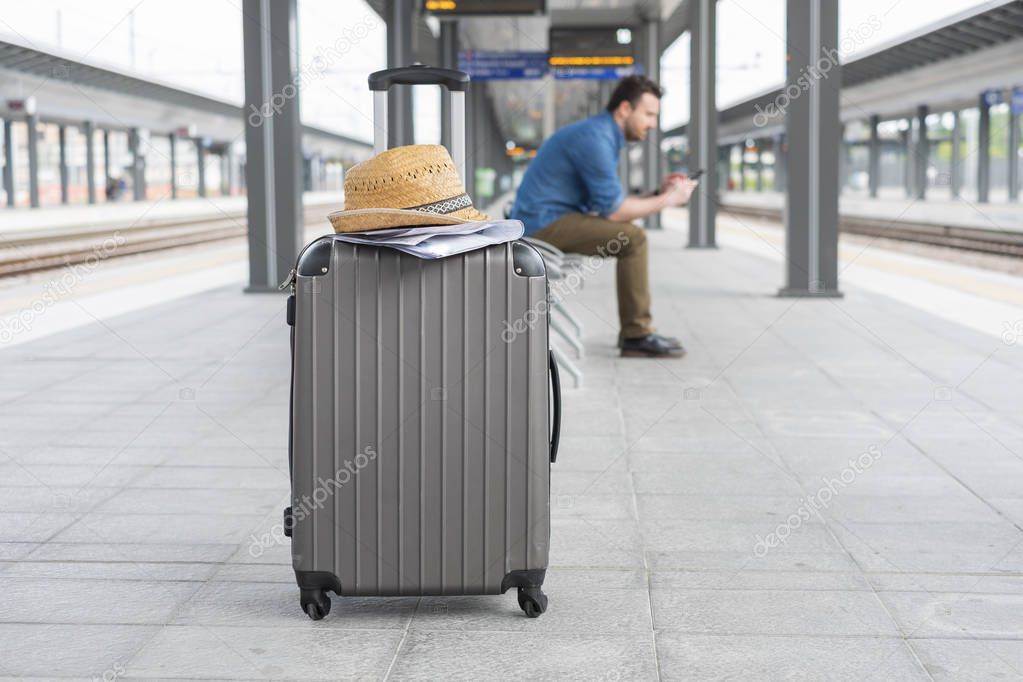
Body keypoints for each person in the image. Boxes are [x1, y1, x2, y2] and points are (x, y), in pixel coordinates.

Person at [511, 75, 697, 358]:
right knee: (633, 238)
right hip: (543, 224)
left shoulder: (601, 135)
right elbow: (617, 213)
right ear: (624, 109)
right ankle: (637, 334)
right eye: (648, 114)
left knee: (630, 234)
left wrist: (658, 192)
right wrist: (669, 199)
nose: (652, 124)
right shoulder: (595, 139)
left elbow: (612, 205)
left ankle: (637, 332)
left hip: (544, 218)